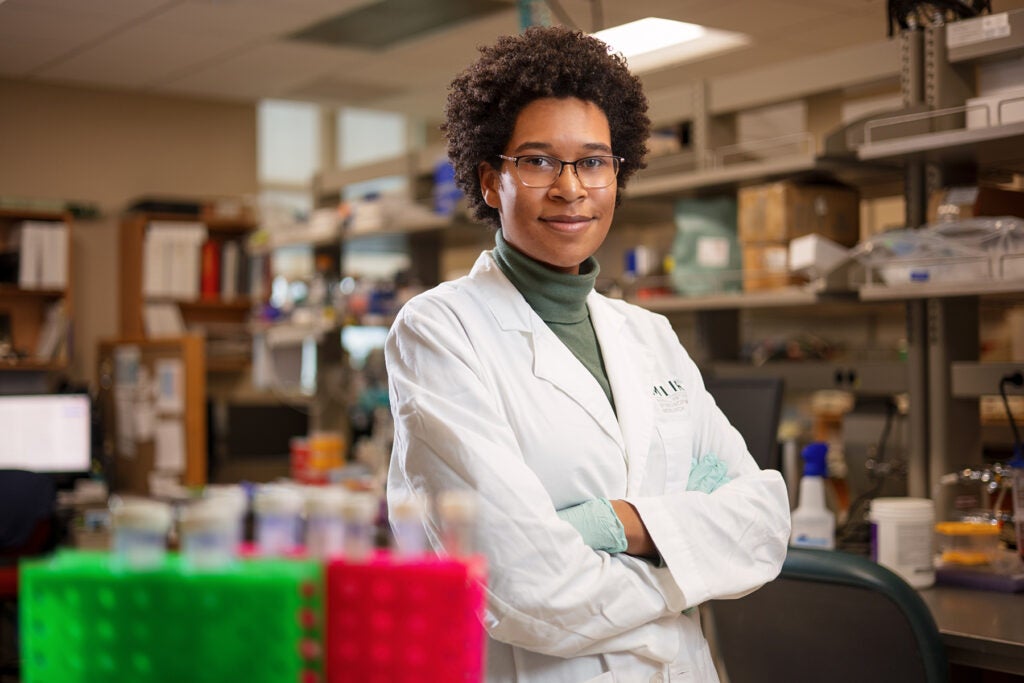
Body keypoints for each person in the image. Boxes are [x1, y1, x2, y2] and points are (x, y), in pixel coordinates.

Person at [385, 25, 791, 683]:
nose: (572, 188)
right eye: (539, 160)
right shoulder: (440, 331)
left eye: (595, 161)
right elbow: (521, 585)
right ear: (492, 181)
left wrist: (608, 524)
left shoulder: (650, 336)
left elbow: (763, 523)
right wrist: (683, 570)